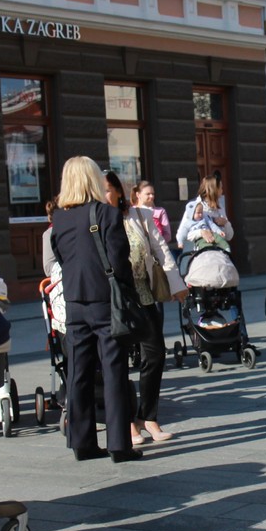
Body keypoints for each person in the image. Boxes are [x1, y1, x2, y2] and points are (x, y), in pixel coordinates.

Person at [50, 157, 139, 462]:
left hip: (74, 302)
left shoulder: (59, 218)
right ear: (91, 179)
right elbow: (119, 261)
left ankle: (82, 442)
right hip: (105, 301)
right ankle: (119, 444)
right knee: (114, 370)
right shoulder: (107, 214)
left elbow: (60, 258)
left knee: (78, 372)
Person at [108, 170, 184, 445]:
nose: (106, 195)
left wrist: (176, 283)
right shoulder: (98, 218)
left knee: (155, 355)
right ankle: (129, 423)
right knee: (118, 361)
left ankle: (148, 416)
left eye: (109, 189)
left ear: (119, 191)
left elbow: (161, 248)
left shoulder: (138, 215)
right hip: (115, 299)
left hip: (145, 294)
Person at [175, 174, 231, 254]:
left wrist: (226, 223)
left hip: (219, 252)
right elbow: (182, 233)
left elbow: (229, 236)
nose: (222, 190)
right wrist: (201, 232)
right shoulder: (194, 207)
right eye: (220, 188)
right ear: (213, 190)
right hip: (196, 253)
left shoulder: (220, 207)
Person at [133, 180, 171, 245]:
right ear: (138, 195)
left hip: (158, 248)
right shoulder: (132, 211)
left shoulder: (160, 211)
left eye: (153, 194)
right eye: (148, 194)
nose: (151, 196)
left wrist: (157, 244)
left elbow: (167, 235)